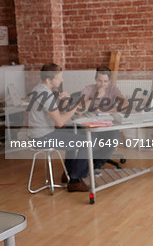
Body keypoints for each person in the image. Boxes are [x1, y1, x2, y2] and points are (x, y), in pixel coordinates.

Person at [28, 63, 89, 192]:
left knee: (74, 134)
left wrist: (60, 102)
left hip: (39, 134)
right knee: (85, 142)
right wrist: (74, 107)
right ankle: (75, 180)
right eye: (59, 77)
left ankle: (68, 173)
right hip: (43, 138)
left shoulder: (39, 89)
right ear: (48, 79)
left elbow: (49, 112)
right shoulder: (45, 94)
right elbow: (59, 122)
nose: (62, 80)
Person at [80, 66, 128, 170]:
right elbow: (80, 107)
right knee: (89, 142)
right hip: (91, 125)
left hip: (107, 124)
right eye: (99, 81)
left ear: (109, 81)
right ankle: (87, 164)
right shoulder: (88, 89)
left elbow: (125, 105)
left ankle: (98, 163)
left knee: (114, 139)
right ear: (95, 79)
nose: (102, 84)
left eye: (105, 81)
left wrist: (106, 110)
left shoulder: (113, 89)